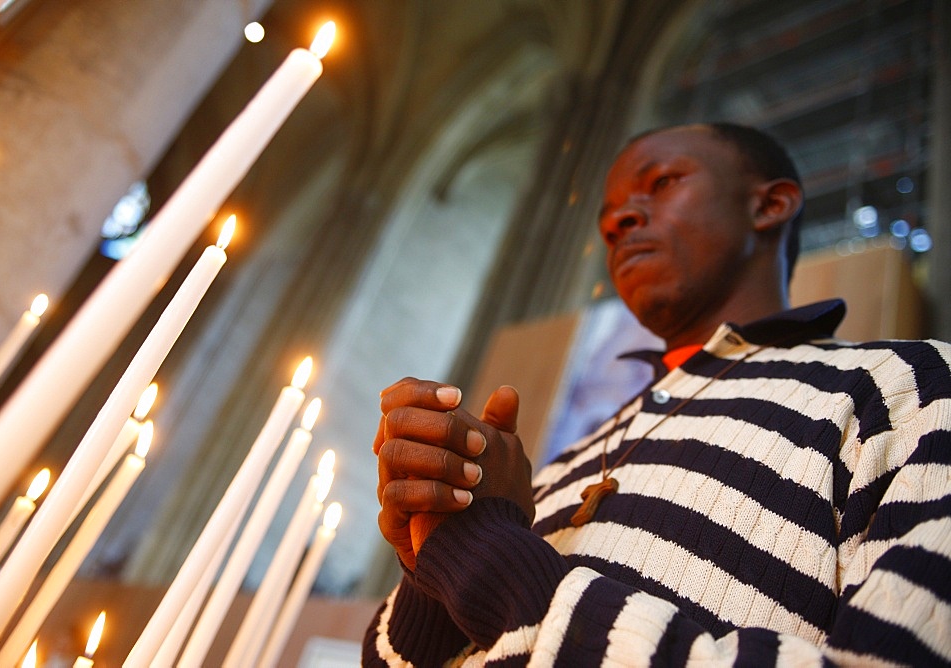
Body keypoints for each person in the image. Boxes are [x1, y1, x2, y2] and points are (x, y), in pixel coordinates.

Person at [362, 122, 951, 666]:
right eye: (608, 216)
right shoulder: (572, 456)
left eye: (661, 182)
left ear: (769, 205)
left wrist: (504, 570)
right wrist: (437, 555)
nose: (617, 222)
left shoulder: (905, 386)